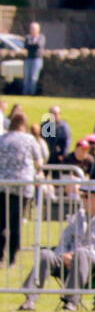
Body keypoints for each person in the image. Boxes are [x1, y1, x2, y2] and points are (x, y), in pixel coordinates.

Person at [17, 183, 95, 311]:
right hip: (68, 261)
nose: (83, 200)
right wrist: (63, 255)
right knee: (46, 255)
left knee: (81, 253)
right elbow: (64, 241)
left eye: (87, 196)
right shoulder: (78, 217)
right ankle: (29, 300)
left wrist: (82, 255)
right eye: (82, 196)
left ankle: (71, 303)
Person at [0, 111, 43, 267]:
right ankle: (12, 258)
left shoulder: (2, 138)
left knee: (1, 222)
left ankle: (0, 257)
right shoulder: (29, 139)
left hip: (2, 184)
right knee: (16, 223)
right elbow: (40, 161)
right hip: (22, 186)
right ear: (24, 125)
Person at [22, 22, 45, 95]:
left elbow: (38, 45)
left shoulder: (41, 37)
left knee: (33, 78)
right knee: (26, 77)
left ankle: (32, 93)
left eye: (34, 29)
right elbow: (26, 46)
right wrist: (32, 45)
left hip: (37, 60)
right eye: (31, 28)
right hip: (28, 59)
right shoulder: (28, 37)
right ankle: (25, 93)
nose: (32, 30)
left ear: (38, 29)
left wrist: (31, 45)